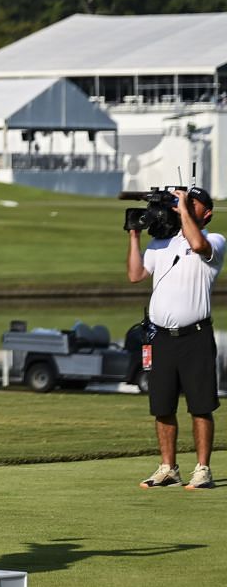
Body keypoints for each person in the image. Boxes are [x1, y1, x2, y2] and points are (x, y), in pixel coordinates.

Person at [128, 187, 222, 490]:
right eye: (184, 202)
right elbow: (135, 274)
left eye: (192, 203)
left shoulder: (216, 240)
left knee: (200, 405)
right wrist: (133, 235)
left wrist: (182, 208)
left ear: (206, 212)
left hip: (195, 336)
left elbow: (196, 243)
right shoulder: (161, 243)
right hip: (161, 338)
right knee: (163, 406)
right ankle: (168, 468)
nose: (184, 206)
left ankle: (202, 469)